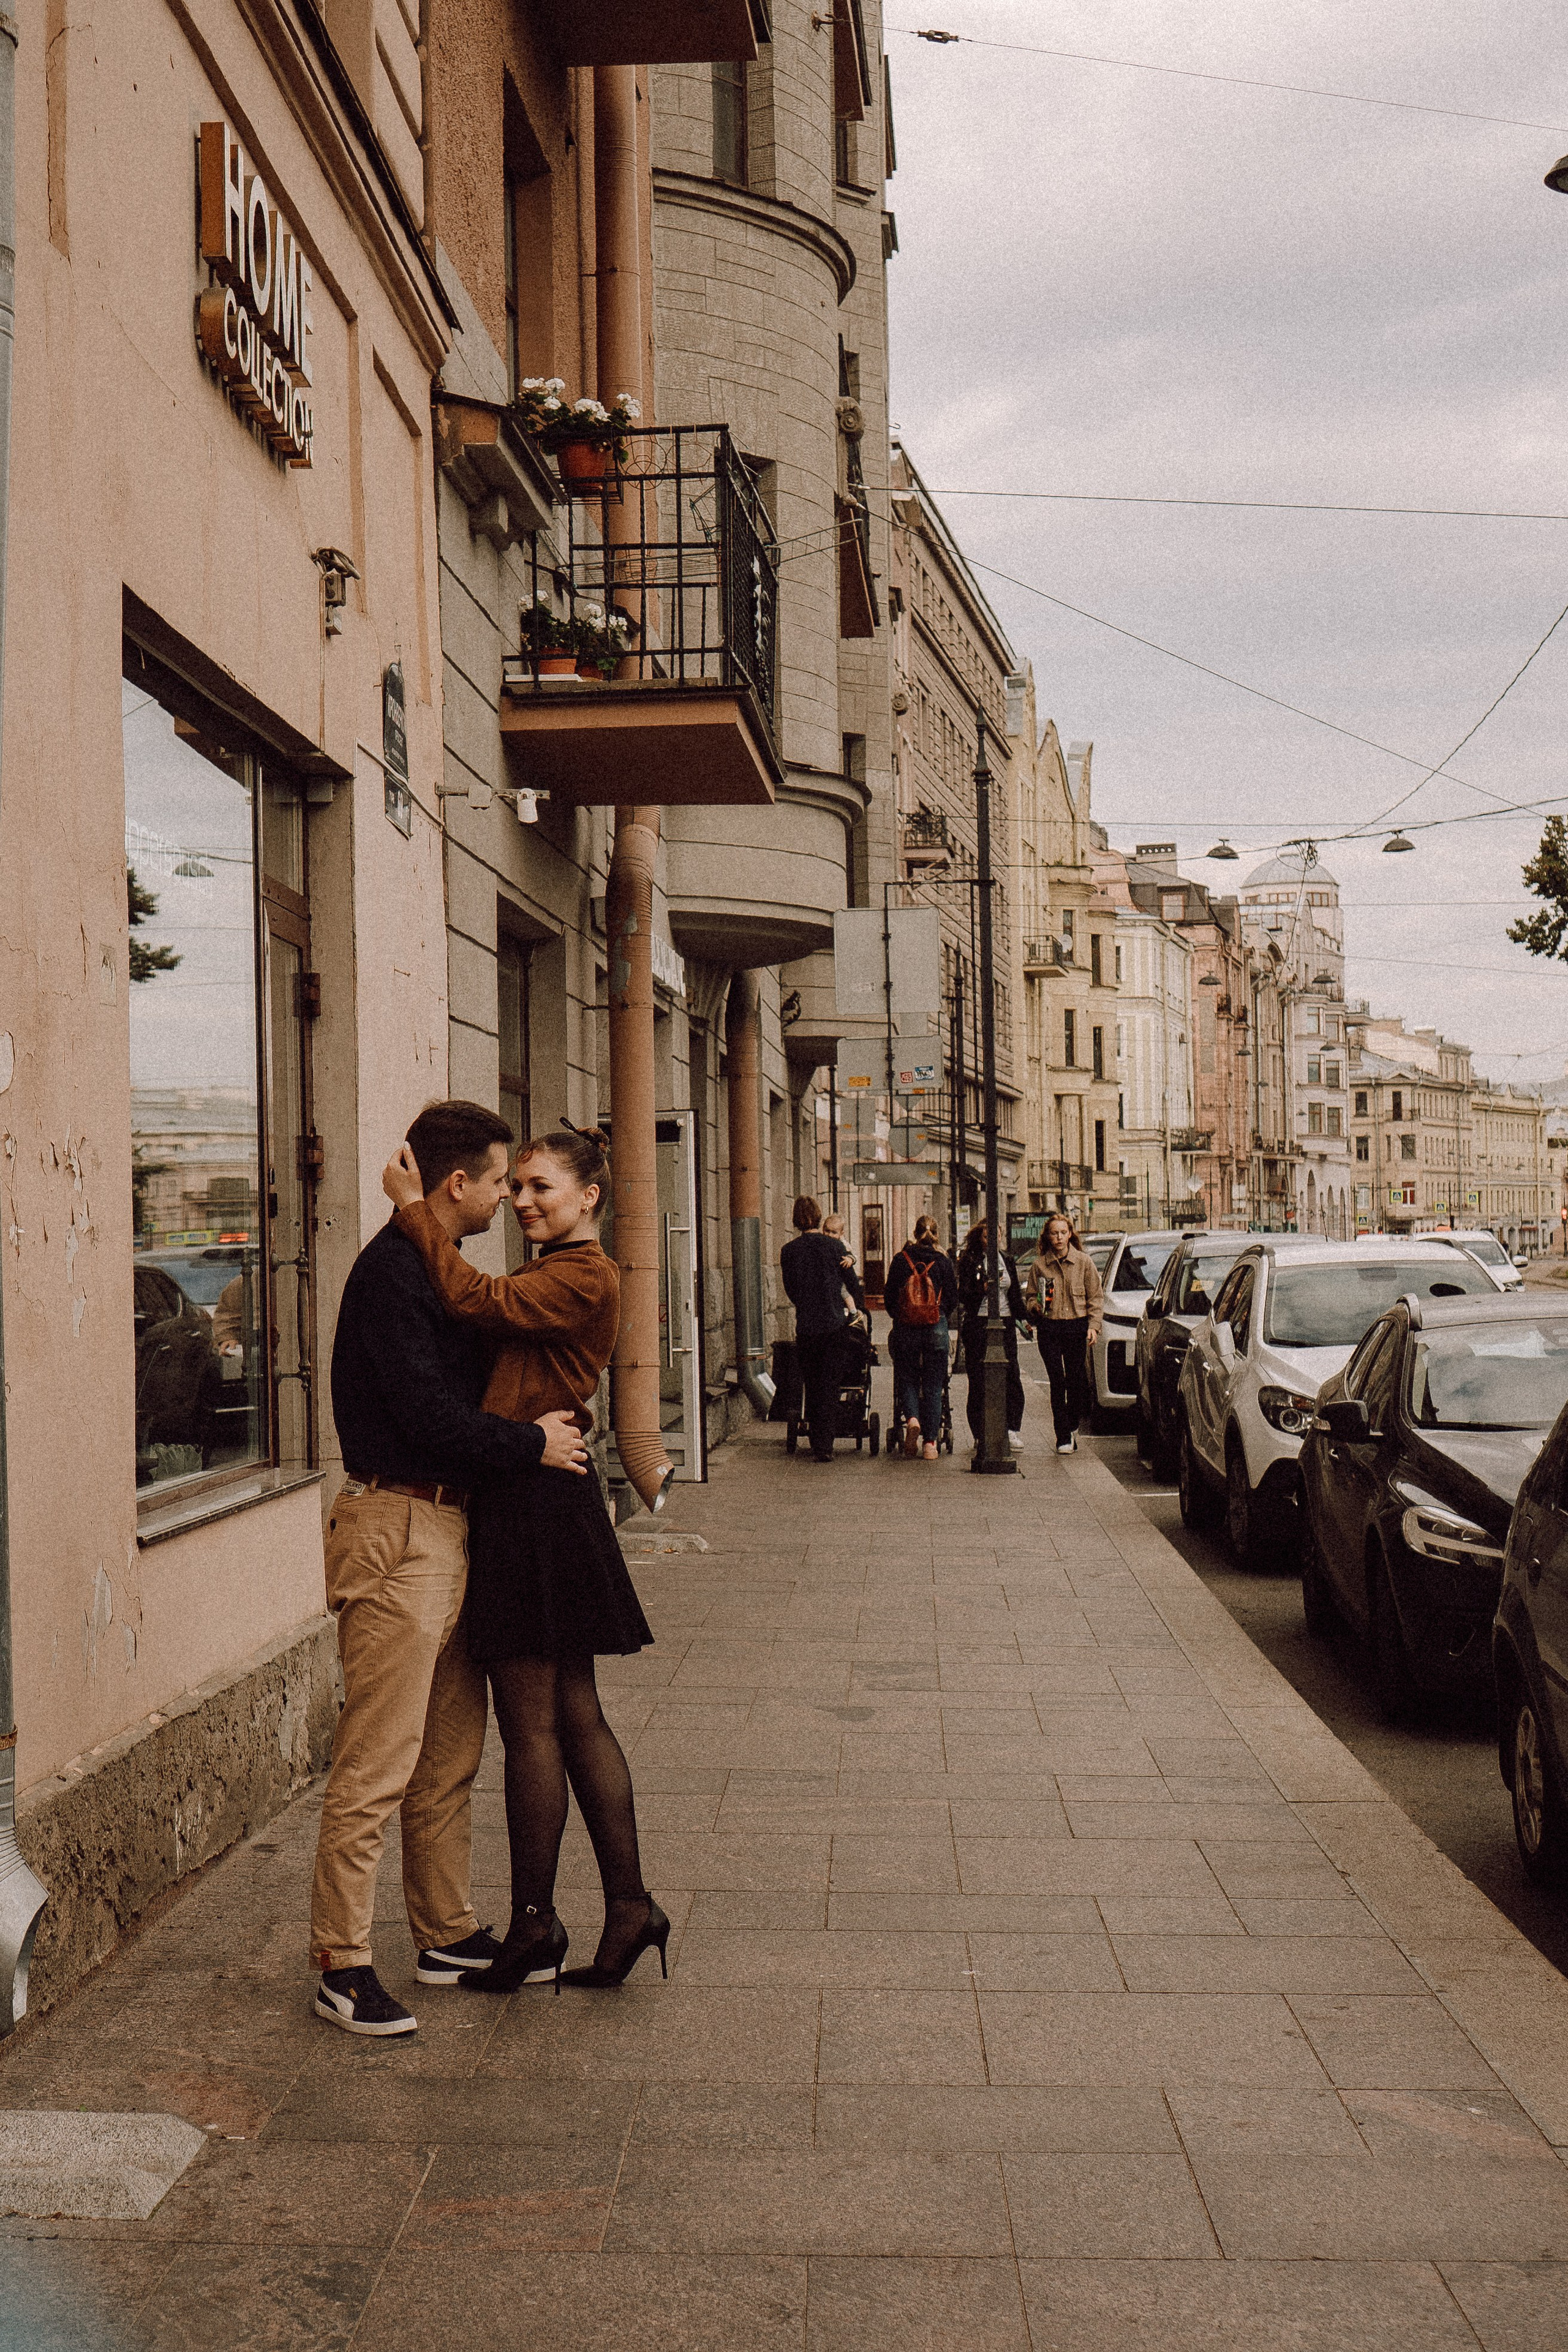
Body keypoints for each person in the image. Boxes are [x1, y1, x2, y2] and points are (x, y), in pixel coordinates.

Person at [311, 1100, 589, 2039]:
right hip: (397, 1524)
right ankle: (341, 1961)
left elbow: (480, 1324)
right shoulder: (394, 1273)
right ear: (457, 1183)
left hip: (448, 1528)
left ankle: (444, 1932)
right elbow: (431, 1415)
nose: (511, 1198)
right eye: (501, 1181)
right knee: (377, 1763)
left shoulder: (434, 1264)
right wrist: (527, 1445)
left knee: (448, 1757)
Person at [382, 1123, 668, 1993]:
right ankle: (628, 1910)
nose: (522, 1200)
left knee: (536, 1723)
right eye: (519, 1187)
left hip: (538, 1503)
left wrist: (413, 1212)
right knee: (571, 1714)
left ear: (589, 1198)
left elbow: (476, 1302)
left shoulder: (584, 1272)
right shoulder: (559, 1271)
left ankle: (538, 1925)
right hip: (540, 1494)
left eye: (541, 1187)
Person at [780, 1194, 862, 1462]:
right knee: (830, 1383)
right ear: (818, 1217)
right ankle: (825, 1445)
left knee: (813, 1383)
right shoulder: (835, 1248)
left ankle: (818, 1441)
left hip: (807, 1326)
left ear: (796, 1220)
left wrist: (807, 1303)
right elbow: (852, 1283)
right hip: (834, 1325)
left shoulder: (789, 1251)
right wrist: (854, 1308)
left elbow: (791, 1290)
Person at [1026, 1212, 1103, 1455]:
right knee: (1057, 1382)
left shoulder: (1083, 1262)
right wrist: (1034, 1305)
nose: (1058, 1238)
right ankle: (1063, 1436)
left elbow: (1096, 1297)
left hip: (1076, 1326)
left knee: (1076, 1381)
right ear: (1047, 1237)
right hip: (1050, 1327)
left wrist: (1093, 1326)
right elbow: (1030, 1296)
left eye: (1063, 1233)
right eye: (1053, 1233)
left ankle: (1072, 1425)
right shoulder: (1039, 1265)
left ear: (1070, 1234)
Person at [884, 1214, 957, 1460]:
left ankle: (912, 1418)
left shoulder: (900, 1260)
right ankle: (930, 1444)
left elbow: (889, 1298)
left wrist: (901, 1315)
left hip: (906, 1330)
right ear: (936, 1234)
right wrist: (938, 1313)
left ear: (915, 1234)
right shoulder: (943, 1262)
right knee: (935, 1385)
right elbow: (953, 1299)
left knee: (907, 1378)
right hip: (935, 1329)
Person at [957, 1219, 1027, 1452]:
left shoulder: (1006, 1260)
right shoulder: (970, 1260)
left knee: (1012, 1375)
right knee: (978, 1378)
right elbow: (964, 1294)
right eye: (987, 1237)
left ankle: (1011, 1429)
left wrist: (1025, 1318)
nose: (992, 1241)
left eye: (996, 1236)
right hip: (979, 1323)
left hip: (1005, 1322)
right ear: (980, 1238)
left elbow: (1014, 1292)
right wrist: (982, 1289)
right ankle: (980, 1433)